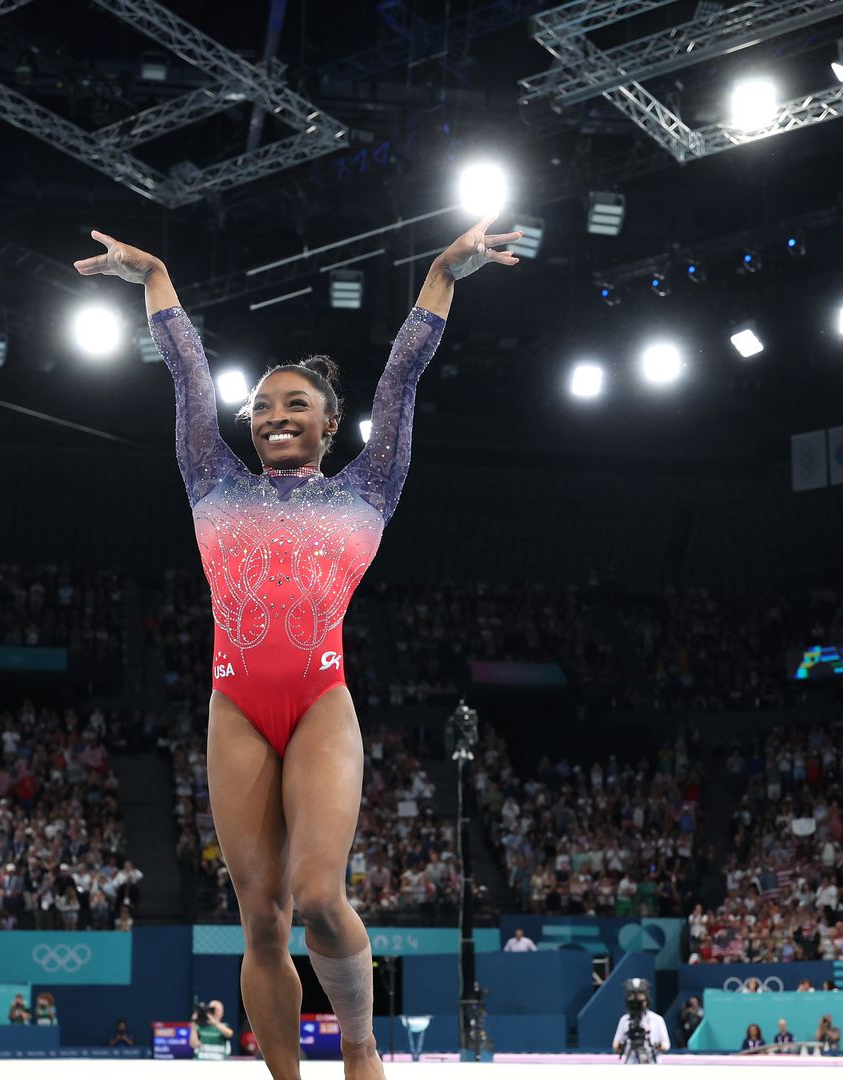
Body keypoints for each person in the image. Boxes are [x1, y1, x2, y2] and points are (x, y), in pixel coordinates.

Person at [72, 214, 520, 1080]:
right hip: (234, 705)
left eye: (296, 405)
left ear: (330, 423)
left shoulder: (371, 484)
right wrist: (157, 274)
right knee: (263, 922)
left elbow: (404, 377)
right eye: (264, 406)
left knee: (317, 897)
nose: (274, 416)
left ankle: (359, 1045)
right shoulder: (210, 475)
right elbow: (187, 377)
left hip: (320, 702)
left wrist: (443, 273)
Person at [610, 979, 669, 1063]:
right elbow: (615, 1045)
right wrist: (621, 1046)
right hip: (630, 1064)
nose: (636, 1001)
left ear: (646, 999)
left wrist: (656, 1046)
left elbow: (666, 1044)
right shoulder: (625, 1020)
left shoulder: (657, 1019)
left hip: (652, 1064)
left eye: (640, 996)